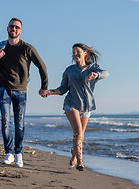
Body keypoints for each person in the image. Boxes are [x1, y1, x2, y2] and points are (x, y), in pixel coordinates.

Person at [0, 18, 50, 167]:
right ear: (7, 28)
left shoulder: (27, 48)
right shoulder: (0, 47)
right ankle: (9, 153)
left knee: (19, 124)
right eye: (12, 26)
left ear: (20, 30)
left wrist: (44, 86)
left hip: (20, 91)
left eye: (17, 27)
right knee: (6, 121)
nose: (14, 29)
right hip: (3, 88)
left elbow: (42, 67)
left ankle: (18, 153)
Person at [47, 43, 109, 171]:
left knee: (81, 135)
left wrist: (96, 75)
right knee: (78, 132)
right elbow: (63, 88)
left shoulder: (93, 67)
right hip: (71, 103)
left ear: (85, 53)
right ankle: (80, 162)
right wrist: (50, 92)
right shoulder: (69, 70)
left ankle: (74, 153)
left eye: (77, 51)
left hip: (86, 106)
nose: (75, 54)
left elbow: (106, 73)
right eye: (73, 52)